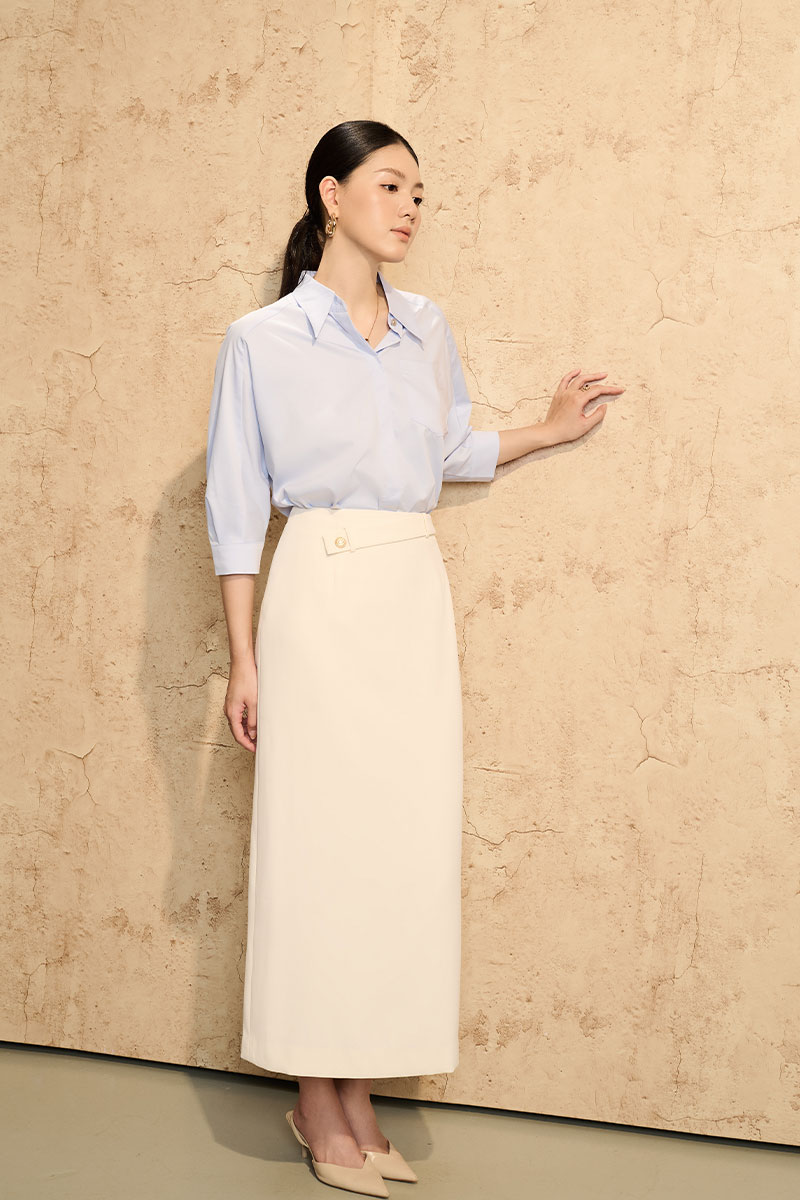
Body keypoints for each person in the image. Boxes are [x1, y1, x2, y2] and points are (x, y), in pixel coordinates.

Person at [204, 119, 625, 1197]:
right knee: (316, 848)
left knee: (395, 850)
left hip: (408, 594)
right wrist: (244, 661)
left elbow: (445, 452)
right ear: (330, 194)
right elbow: (236, 509)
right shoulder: (262, 340)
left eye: (420, 193)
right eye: (390, 185)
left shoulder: (427, 327)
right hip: (317, 594)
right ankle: (316, 1097)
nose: (409, 208)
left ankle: (359, 1097)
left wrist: (546, 428)